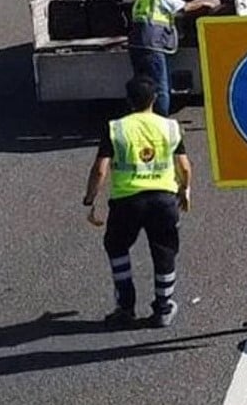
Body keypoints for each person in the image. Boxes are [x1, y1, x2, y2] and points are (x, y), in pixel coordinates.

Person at [82, 76, 192, 328]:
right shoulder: (170, 127)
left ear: (128, 101)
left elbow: (100, 170)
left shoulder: (116, 128)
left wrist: (90, 200)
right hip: (163, 200)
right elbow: (185, 167)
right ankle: (163, 308)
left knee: (117, 247)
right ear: (154, 99)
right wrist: (185, 190)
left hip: (126, 202)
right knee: (164, 251)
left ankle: (125, 307)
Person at [128, 0, 219, 116]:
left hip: (136, 44)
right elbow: (184, 8)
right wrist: (205, 2)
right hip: (153, 45)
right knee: (160, 87)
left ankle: (143, 118)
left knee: (142, 86)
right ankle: (161, 120)